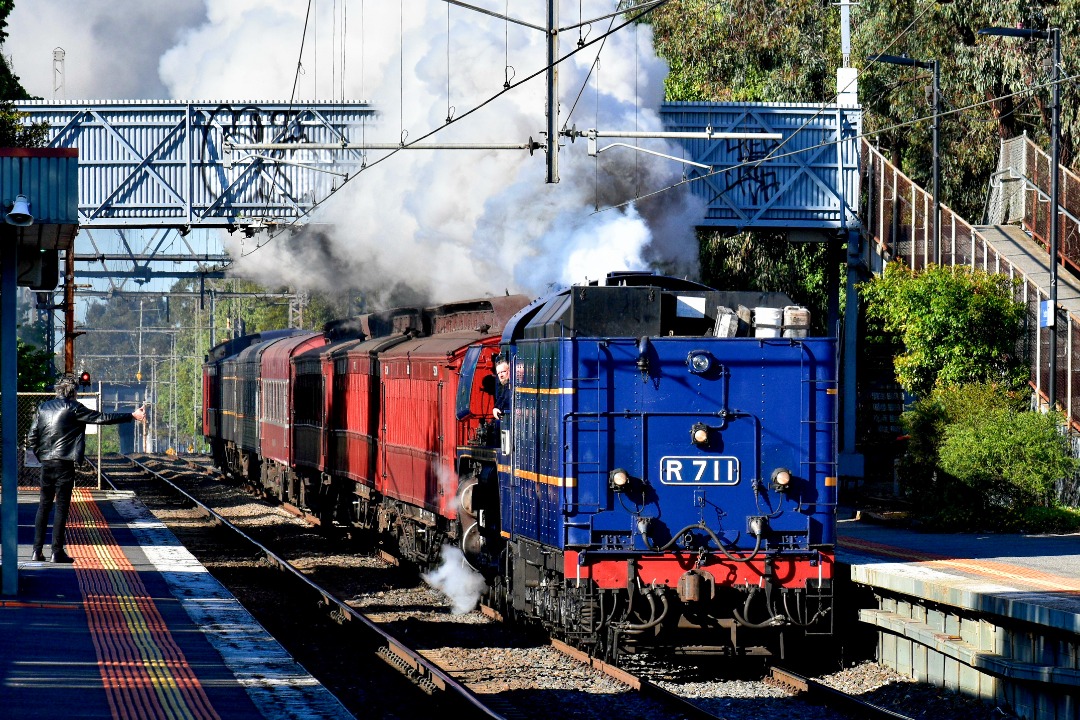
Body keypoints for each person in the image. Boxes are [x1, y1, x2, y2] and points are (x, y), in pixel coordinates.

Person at [26, 373, 146, 563]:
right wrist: (131, 415)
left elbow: (32, 437)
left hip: (47, 463)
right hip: (65, 463)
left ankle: (36, 550)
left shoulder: (43, 408)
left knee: (44, 505)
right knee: (61, 507)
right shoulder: (74, 408)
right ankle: (56, 552)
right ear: (73, 392)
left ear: (58, 390)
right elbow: (102, 418)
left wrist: (43, 456)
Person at [492, 358, 510, 422]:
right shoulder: (506, 386)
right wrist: (495, 408)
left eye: (503, 371)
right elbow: (501, 398)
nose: (501, 375)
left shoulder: (513, 386)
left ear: (510, 370)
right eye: (499, 373)